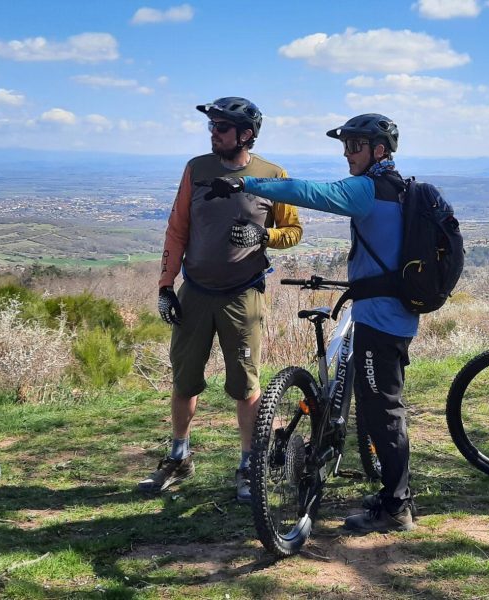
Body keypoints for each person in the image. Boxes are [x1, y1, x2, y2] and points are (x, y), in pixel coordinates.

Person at [205, 113, 418, 533]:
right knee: (380, 406)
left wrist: (247, 184)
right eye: (345, 146)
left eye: (354, 146)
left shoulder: (369, 189)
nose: (347, 154)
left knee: (383, 412)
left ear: (379, 151)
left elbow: (309, 192)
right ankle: (394, 496)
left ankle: (397, 508)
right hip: (395, 312)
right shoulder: (400, 188)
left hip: (381, 317)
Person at [138, 97, 303, 503]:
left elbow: (294, 231)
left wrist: (263, 236)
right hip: (194, 292)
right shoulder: (197, 169)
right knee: (184, 381)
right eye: (211, 127)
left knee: (246, 386)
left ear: (246, 134)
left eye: (221, 128)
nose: (213, 133)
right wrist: (165, 286)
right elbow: (177, 229)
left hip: (243, 295)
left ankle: (248, 465)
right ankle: (179, 457)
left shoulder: (272, 175)